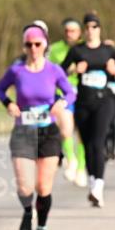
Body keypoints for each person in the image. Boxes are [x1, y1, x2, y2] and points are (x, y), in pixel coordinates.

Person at [0, 26, 75, 230]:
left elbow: (70, 92)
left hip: (48, 132)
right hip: (22, 131)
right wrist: (9, 104)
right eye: (28, 44)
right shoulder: (17, 70)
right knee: (24, 186)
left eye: (37, 44)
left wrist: (62, 103)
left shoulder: (54, 70)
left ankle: (42, 226)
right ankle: (28, 211)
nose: (33, 48)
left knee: (42, 185)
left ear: (45, 45)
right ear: (24, 46)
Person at [60, 13, 115, 207]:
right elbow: (60, 72)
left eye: (94, 27)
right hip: (83, 102)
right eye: (88, 27)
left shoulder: (108, 50)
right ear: (84, 30)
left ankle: (98, 185)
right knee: (88, 144)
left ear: (99, 29)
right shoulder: (77, 50)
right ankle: (92, 182)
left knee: (98, 142)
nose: (91, 30)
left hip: (104, 101)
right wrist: (74, 70)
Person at [47, 18, 86, 186]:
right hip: (62, 94)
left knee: (82, 134)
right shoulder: (55, 49)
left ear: (79, 33)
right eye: (67, 31)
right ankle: (71, 159)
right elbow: (49, 71)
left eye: (73, 31)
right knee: (65, 130)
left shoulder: (85, 48)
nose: (69, 34)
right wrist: (70, 70)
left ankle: (81, 169)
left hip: (84, 93)